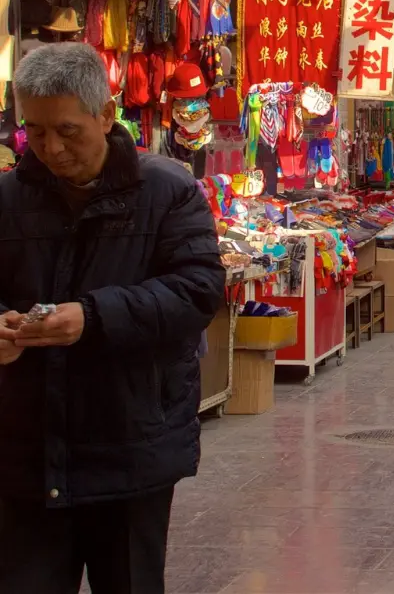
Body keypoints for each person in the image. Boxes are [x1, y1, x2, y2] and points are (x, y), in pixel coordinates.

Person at [0, 43, 225, 594]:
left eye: (67, 130)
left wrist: (93, 317)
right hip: (26, 453)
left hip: (131, 448)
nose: (50, 148)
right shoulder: (6, 198)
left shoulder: (168, 191)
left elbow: (198, 291)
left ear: (105, 114)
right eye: (36, 130)